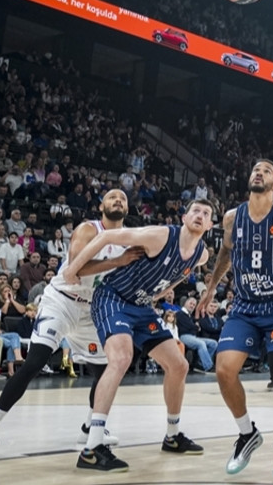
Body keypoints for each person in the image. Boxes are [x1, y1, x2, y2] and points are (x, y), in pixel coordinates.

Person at [0, 189, 140, 459]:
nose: (118, 200)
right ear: (101, 205)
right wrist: (117, 262)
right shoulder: (87, 229)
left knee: (106, 372)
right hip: (62, 301)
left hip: (93, 308)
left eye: (123, 198)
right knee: (34, 363)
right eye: (112, 196)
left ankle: (90, 427)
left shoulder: (130, 240)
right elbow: (76, 270)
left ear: (128, 208)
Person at [66, 199, 215, 472]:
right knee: (121, 359)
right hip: (113, 298)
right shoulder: (159, 236)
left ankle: (172, 436)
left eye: (206, 213)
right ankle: (92, 447)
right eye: (195, 210)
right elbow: (108, 235)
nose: (200, 215)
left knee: (179, 365)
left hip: (141, 306)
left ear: (209, 225)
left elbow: (181, 274)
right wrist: (72, 267)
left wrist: (159, 294)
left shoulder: (201, 254)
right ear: (184, 217)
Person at [195, 160, 273, 479]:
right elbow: (225, 252)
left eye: (266, 171)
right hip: (245, 306)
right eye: (255, 169)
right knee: (223, 370)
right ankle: (247, 433)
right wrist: (211, 287)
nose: (258, 172)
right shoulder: (231, 218)